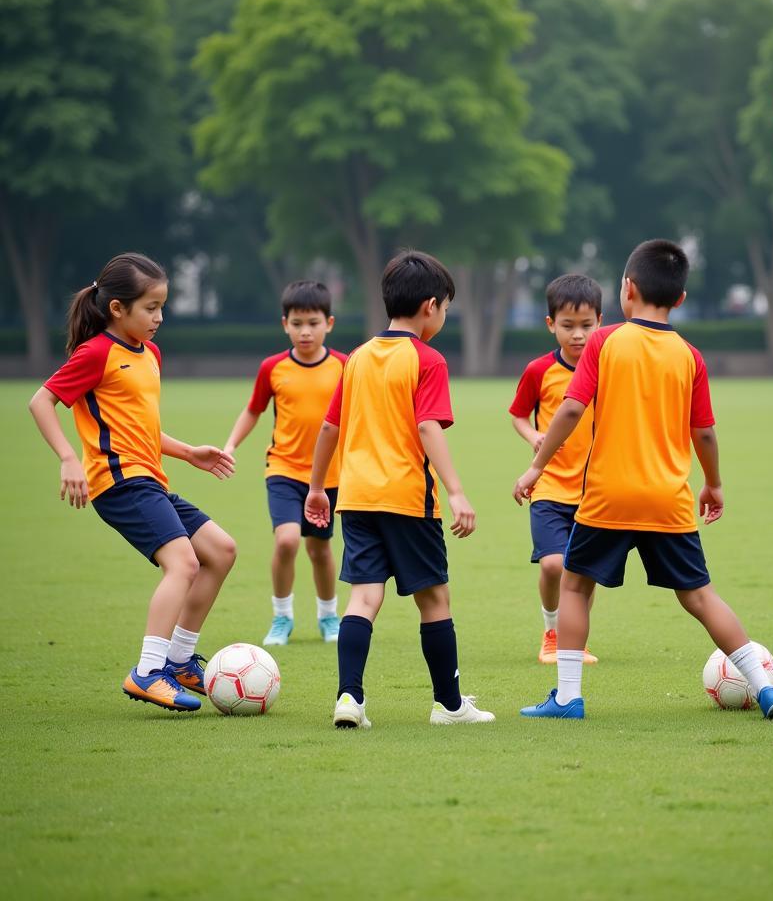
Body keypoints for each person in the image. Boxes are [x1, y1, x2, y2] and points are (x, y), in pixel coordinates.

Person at [513, 239, 773, 721]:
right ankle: (764, 686)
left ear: (627, 289)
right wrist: (714, 483)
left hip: (609, 496)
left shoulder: (604, 342)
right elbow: (703, 431)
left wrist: (537, 465)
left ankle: (567, 698)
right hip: (669, 499)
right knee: (700, 596)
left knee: (577, 587)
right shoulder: (689, 356)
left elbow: (574, 408)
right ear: (680, 299)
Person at [28, 253, 237, 713]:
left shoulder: (150, 353)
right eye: (150, 307)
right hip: (119, 482)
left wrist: (189, 453)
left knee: (221, 551)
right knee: (183, 564)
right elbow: (41, 402)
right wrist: (68, 457)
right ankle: (147, 671)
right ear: (118, 308)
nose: (159, 317)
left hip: (149, 479)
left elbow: (138, 427)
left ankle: (180, 663)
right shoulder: (96, 352)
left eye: (163, 306)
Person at [305, 250, 494, 729]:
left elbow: (330, 428)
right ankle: (449, 707)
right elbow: (428, 426)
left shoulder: (358, 358)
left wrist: (315, 489)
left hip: (356, 498)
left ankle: (349, 699)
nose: (444, 316)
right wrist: (456, 491)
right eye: (446, 308)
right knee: (434, 601)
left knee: (364, 599)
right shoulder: (427, 359)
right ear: (430, 306)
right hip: (409, 499)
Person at [224, 281, 347, 647]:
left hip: (328, 476)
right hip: (283, 470)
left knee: (320, 549)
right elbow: (253, 410)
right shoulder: (272, 368)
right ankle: (282, 617)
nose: (305, 331)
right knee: (288, 541)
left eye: (313, 322)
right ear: (284, 324)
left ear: (329, 323)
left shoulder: (344, 366)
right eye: (297, 323)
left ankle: (328, 616)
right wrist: (230, 445)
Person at [509, 274, 602, 665]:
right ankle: (552, 631)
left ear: (600, 321)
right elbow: (517, 415)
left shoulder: (607, 368)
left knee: (583, 571)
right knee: (553, 564)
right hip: (548, 485)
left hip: (595, 488)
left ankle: (574, 640)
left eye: (586, 326)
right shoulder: (538, 371)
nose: (578, 335)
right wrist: (533, 437)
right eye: (568, 326)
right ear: (551, 324)